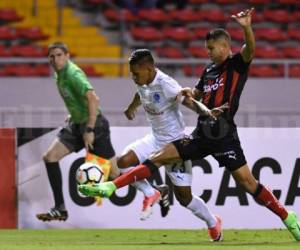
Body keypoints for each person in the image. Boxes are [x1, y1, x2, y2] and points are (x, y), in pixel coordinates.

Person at [78, 8, 300, 241]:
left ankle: (287, 216)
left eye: (211, 49)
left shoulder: (236, 65)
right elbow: (197, 93)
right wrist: (189, 92)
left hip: (224, 136)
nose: (208, 53)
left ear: (225, 47)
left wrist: (246, 27)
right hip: (201, 134)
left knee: (248, 183)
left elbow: (250, 50)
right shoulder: (209, 71)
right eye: (207, 49)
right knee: (157, 157)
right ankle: (111, 187)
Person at [82, 48, 226, 241]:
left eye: (135, 73)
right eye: (131, 73)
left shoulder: (166, 84)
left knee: (185, 198)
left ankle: (212, 221)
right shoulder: (143, 81)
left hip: (176, 144)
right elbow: (141, 92)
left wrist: (208, 113)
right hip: (155, 139)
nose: (133, 77)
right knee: (122, 162)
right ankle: (152, 192)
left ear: (149, 69)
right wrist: (132, 106)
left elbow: (190, 102)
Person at [36, 42, 164, 222]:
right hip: (76, 125)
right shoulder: (59, 76)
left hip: (94, 126)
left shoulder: (73, 74)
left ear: (67, 56)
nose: (55, 59)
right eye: (51, 56)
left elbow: (93, 99)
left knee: (114, 174)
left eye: (58, 55)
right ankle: (60, 208)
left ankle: (153, 191)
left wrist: (89, 128)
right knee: (50, 157)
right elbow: (78, 100)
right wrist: (73, 114)